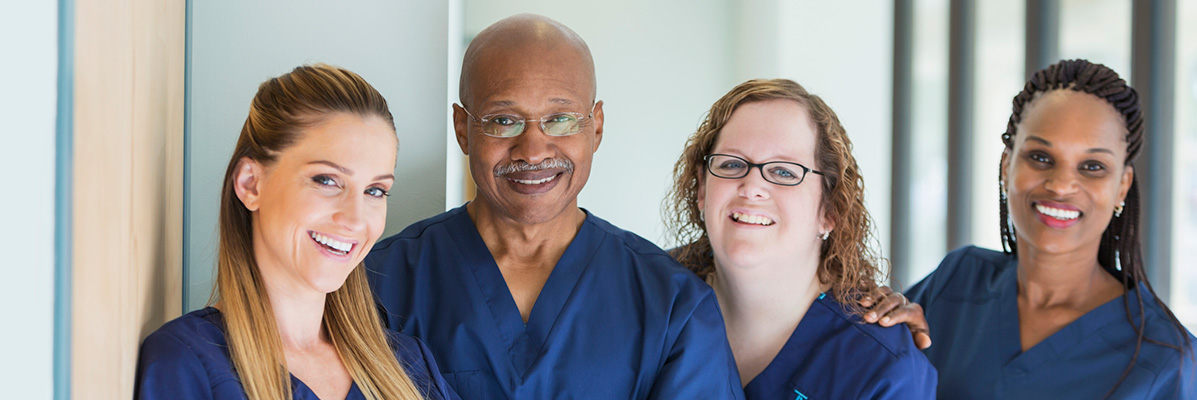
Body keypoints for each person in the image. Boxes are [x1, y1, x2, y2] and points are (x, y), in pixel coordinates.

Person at [364, 14, 743, 399]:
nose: (532, 152)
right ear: (463, 129)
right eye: (504, 121)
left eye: (560, 119)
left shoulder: (672, 305)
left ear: (595, 127)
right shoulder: (379, 282)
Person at [135, 64, 459, 400]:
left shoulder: (407, 366)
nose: (356, 219)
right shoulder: (187, 362)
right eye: (326, 180)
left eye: (375, 190)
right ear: (251, 184)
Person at [905, 59, 1197, 398]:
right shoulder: (955, 283)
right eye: (1041, 157)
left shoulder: (1168, 361)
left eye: (1092, 166)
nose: (1060, 186)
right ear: (1006, 166)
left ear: (1122, 186)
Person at [665, 79, 936, 399]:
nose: (751, 187)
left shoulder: (883, 368)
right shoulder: (649, 297)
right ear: (701, 188)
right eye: (732, 164)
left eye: (784, 172)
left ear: (830, 210)